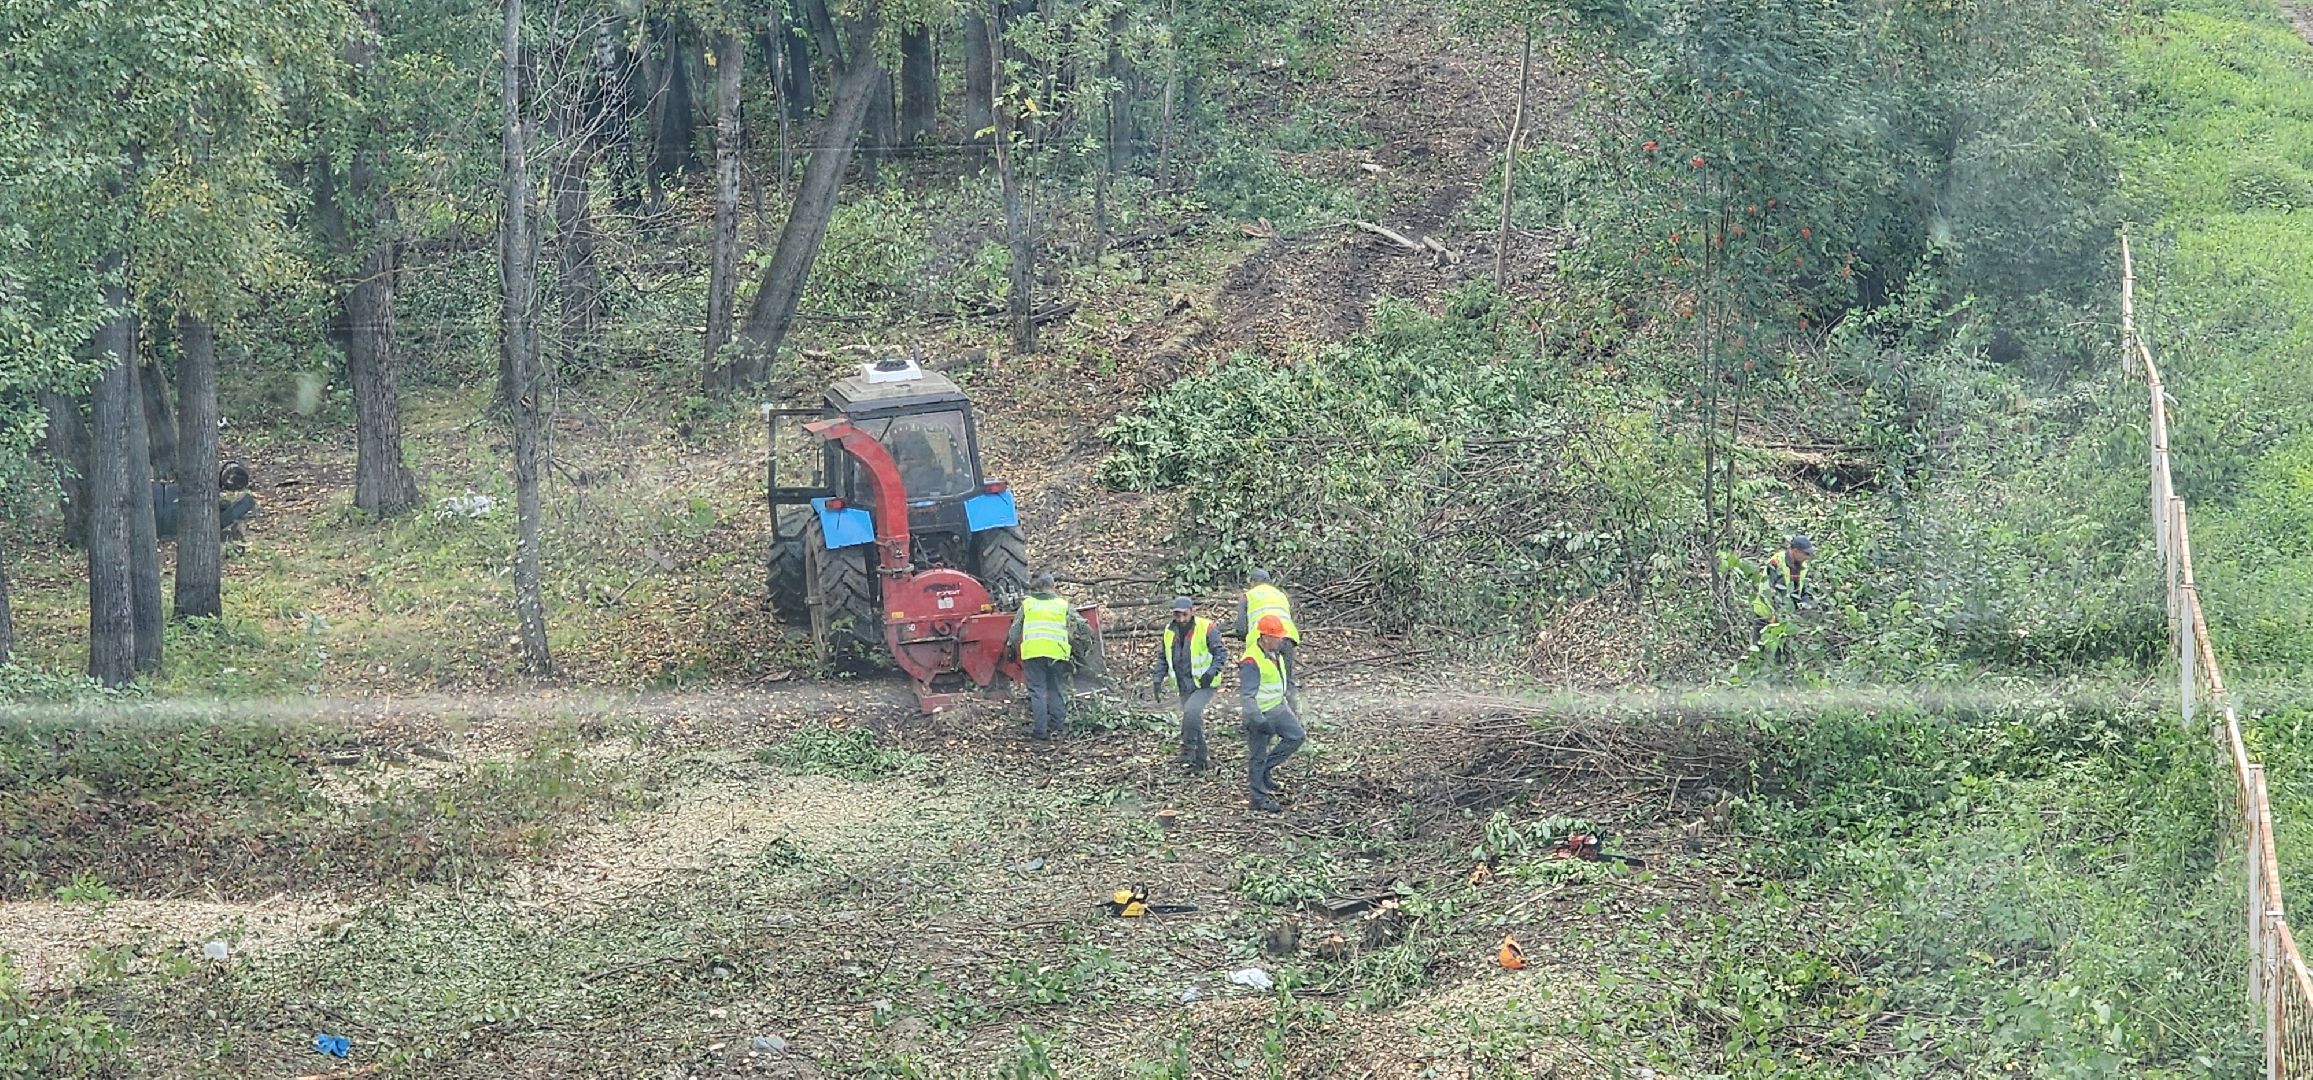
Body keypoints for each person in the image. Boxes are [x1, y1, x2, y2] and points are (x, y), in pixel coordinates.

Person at [1007, 571, 1092, 740]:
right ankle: (1058, 726)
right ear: (1052, 586)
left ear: (1037, 588)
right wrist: (1085, 641)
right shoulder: (1062, 604)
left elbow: (1015, 629)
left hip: (1033, 653)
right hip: (1057, 653)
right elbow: (1082, 625)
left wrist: (1011, 647)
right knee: (1056, 689)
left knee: (1037, 691)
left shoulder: (1028, 604)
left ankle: (1040, 731)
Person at [1150, 596, 1226, 772]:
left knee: (1191, 713)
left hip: (1205, 683)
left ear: (1192, 611)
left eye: (1184, 614)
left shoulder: (1207, 628)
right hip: (1184, 684)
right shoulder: (1170, 631)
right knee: (1194, 721)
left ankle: (1186, 754)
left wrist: (1211, 672)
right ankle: (1202, 762)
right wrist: (1157, 678)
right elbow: (1163, 657)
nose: (1181, 619)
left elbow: (1220, 653)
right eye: (1177, 615)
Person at [1238, 614, 1304, 813]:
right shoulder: (1251, 660)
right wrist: (1258, 720)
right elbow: (1247, 697)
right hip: (1260, 714)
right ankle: (1258, 797)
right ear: (1265, 637)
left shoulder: (1276, 653)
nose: (1281, 640)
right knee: (1257, 756)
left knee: (1296, 736)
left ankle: (1266, 769)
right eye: (1277, 637)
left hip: (1277, 707)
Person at [1232, 569, 1299, 704]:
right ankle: (1293, 714)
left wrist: (1241, 635)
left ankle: (1260, 715)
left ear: (1252, 582)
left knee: (1259, 680)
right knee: (1286, 678)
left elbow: (1241, 627)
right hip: (1286, 636)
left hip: (1263, 640)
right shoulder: (1281, 595)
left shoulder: (1248, 596)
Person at [1762, 535, 1816, 614]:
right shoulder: (1776, 562)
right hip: (1767, 613)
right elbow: (1769, 591)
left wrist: (1805, 607)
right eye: (1806, 554)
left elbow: (1804, 591)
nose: (1807, 557)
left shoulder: (1803, 566)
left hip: (1789, 613)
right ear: (1796, 551)